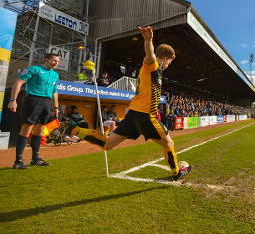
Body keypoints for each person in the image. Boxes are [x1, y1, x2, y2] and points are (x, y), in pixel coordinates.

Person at [67, 26, 192, 181]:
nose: (169, 65)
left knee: (107, 144)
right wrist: (148, 40)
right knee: (169, 143)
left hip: (133, 114)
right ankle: (176, 173)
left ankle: (74, 130)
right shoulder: (154, 66)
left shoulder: (153, 71)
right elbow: (150, 55)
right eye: (170, 62)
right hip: (146, 116)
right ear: (165, 58)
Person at [8, 53, 60, 169]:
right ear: (46, 59)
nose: (56, 63)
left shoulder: (55, 75)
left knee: (39, 131)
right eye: (54, 60)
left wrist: (56, 107)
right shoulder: (34, 69)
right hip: (33, 101)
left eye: (58, 61)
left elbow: (54, 91)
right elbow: (19, 83)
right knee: (26, 130)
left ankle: (35, 159)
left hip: (47, 103)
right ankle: (18, 161)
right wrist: (13, 100)